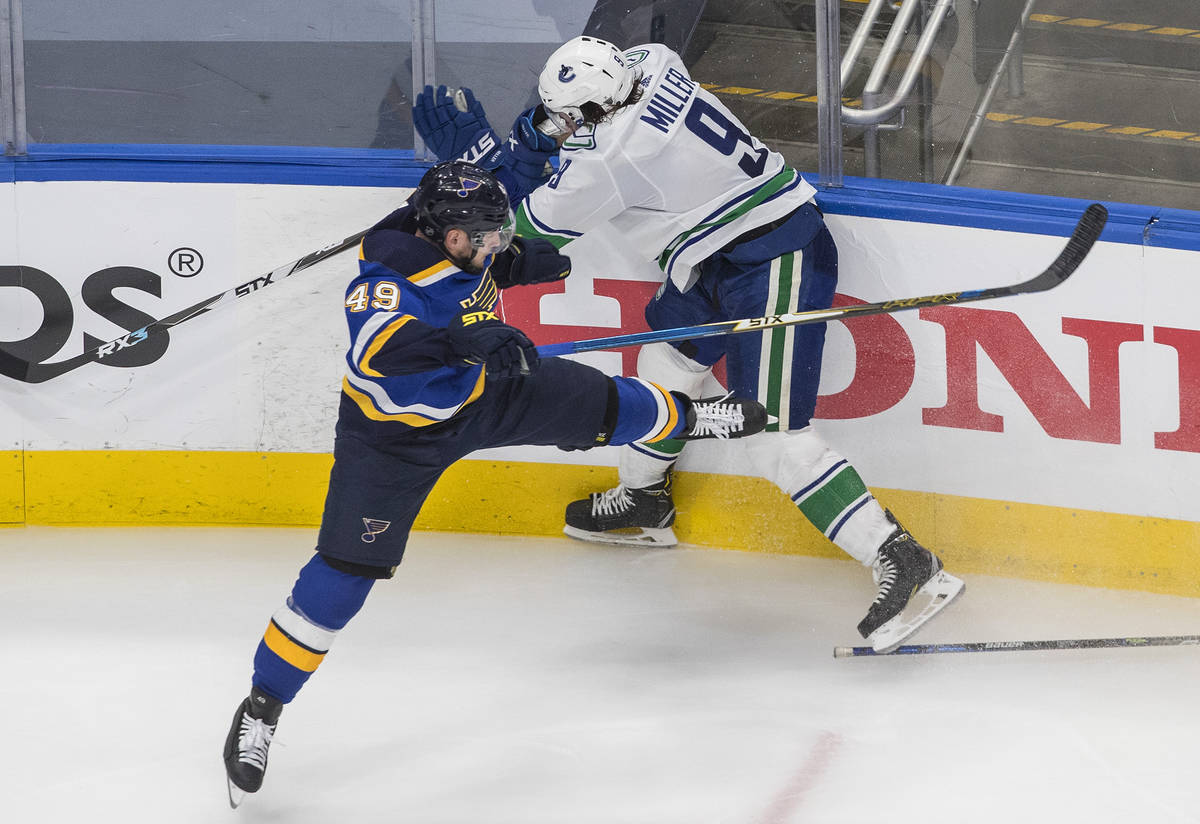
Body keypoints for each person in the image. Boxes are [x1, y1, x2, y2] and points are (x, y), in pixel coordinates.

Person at [221, 160, 769, 806]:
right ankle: (263, 705)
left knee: (595, 400)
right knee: (344, 573)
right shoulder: (385, 281)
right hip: (393, 438)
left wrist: (511, 267)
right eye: (480, 238)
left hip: (484, 397)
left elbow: (480, 277)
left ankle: (692, 417)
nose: (491, 246)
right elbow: (382, 349)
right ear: (441, 233)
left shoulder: (463, 249)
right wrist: (463, 339)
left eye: (495, 235)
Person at [412, 37, 964, 655]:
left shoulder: (612, 162)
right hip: (709, 260)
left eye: (572, 116)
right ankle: (645, 502)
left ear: (597, 111)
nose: (563, 125)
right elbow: (564, 129)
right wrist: (538, 134)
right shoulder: (653, 60)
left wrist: (482, 163)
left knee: (772, 434)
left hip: (774, 256)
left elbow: (513, 230)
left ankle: (903, 558)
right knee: (664, 366)